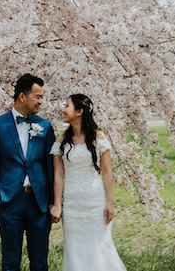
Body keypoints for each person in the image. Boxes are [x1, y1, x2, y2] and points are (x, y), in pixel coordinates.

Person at [0, 74, 57, 271]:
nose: (41, 101)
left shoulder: (45, 126)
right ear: (22, 97)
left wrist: (54, 201)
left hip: (38, 203)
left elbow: (51, 167)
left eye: (42, 97)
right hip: (8, 202)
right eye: (37, 96)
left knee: (40, 262)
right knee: (10, 261)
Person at [50, 94, 127, 271]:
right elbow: (58, 175)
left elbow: (107, 173)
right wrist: (57, 205)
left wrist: (109, 202)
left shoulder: (98, 138)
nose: (63, 109)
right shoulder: (61, 142)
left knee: (100, 248)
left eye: (67, 106)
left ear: (79, 111)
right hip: (72, 206)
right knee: (75, 251)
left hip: (95, 204)